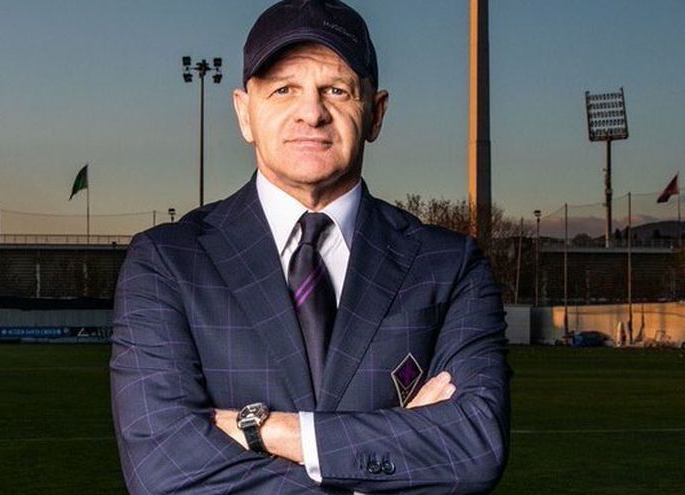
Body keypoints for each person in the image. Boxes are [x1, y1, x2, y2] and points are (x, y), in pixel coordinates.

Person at [110, 1, 510, 493]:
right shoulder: (167, 262)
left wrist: (270, 431)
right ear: (244, 114)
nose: (312, 113)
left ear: (376, 113)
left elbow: (474, 446)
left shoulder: (449, 266)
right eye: (284, 89)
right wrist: (386, 461)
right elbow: (164, 470)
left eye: (336, 90)